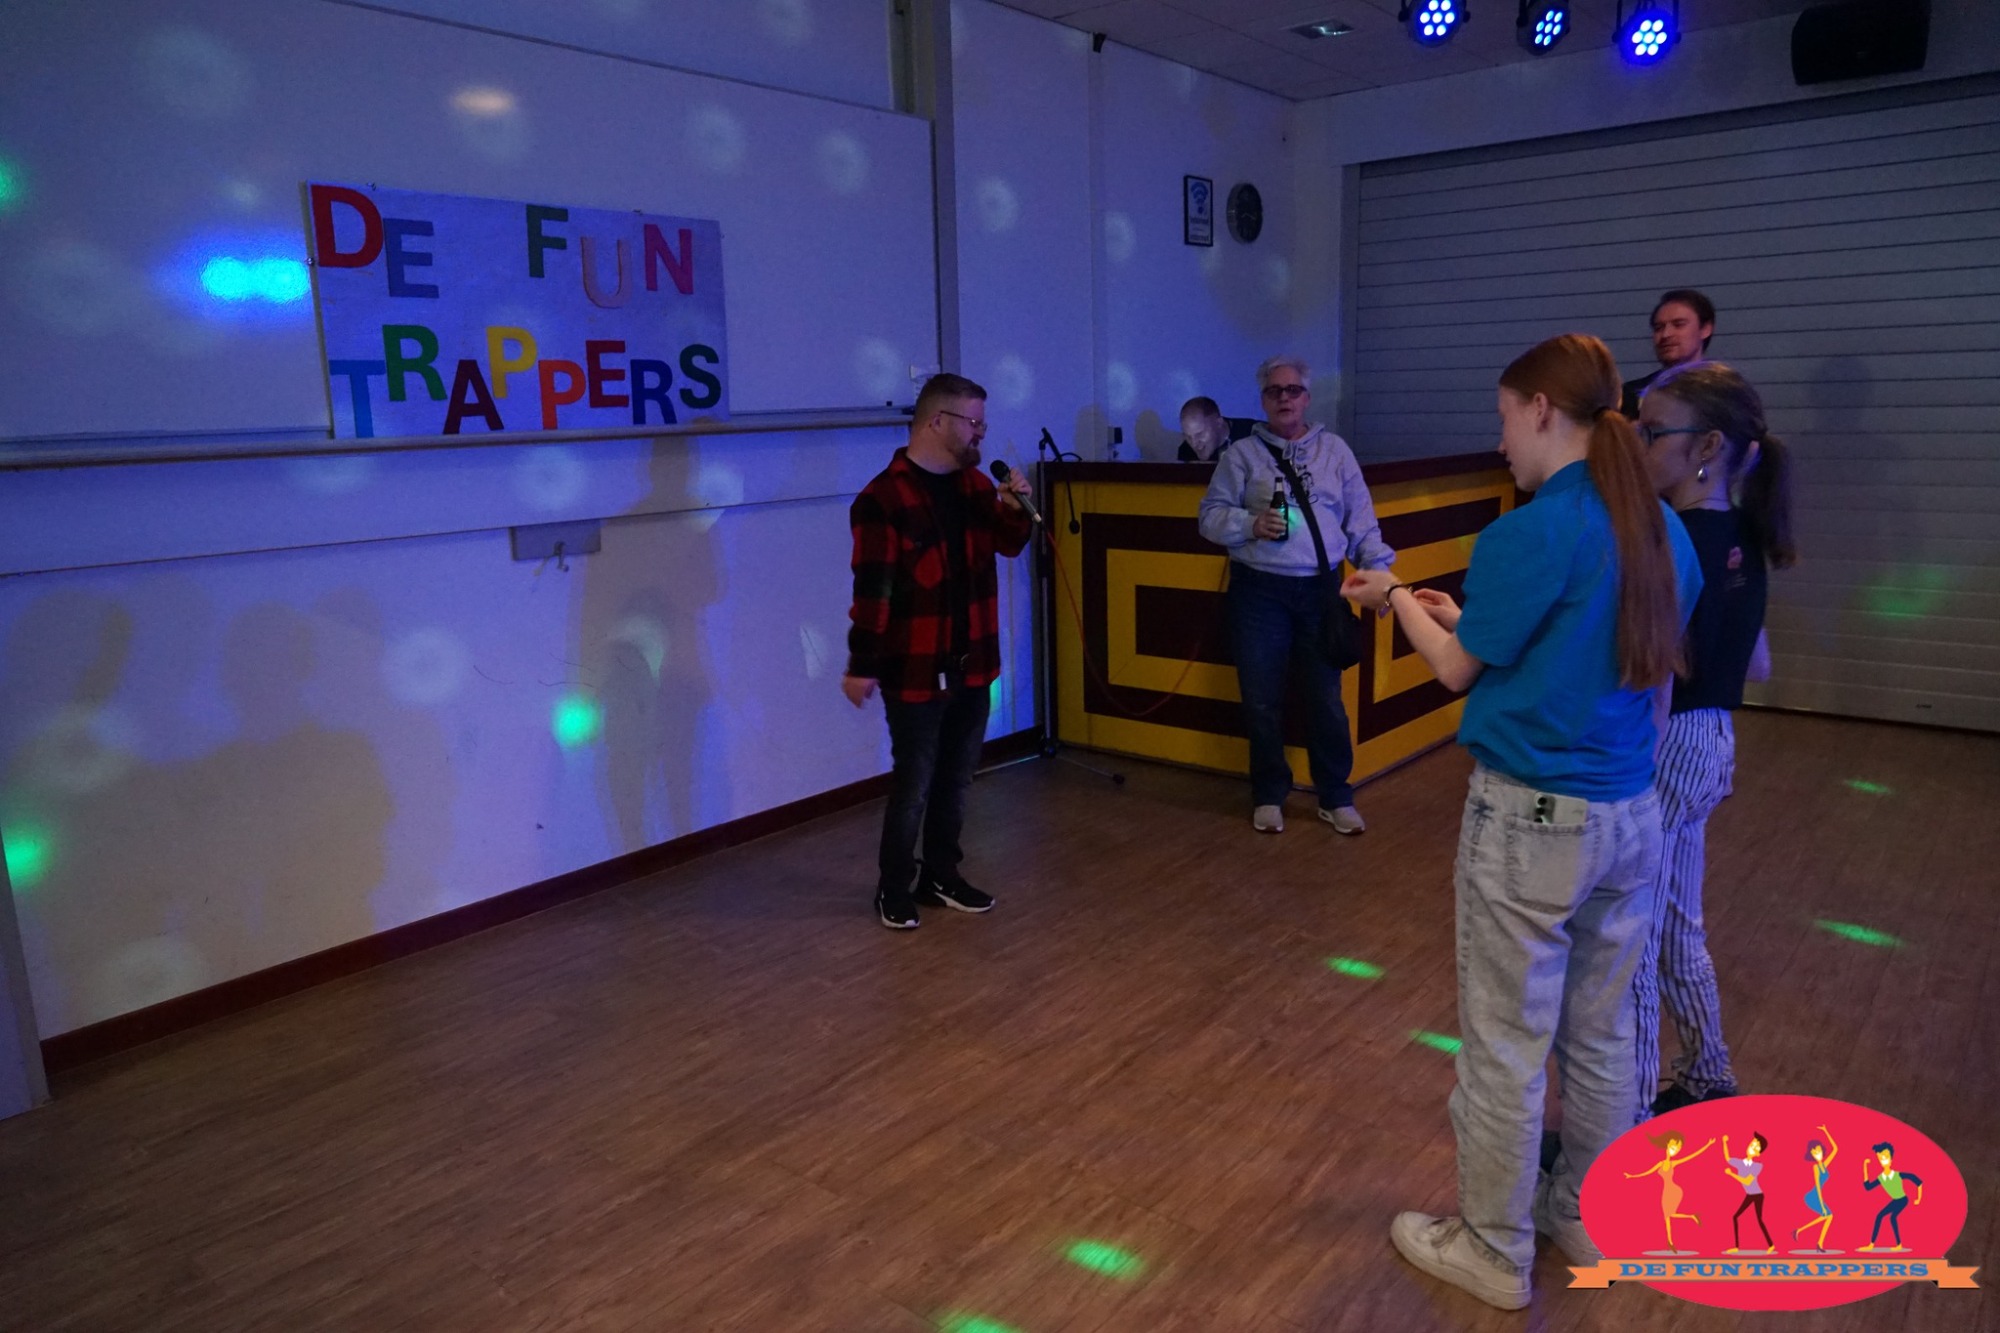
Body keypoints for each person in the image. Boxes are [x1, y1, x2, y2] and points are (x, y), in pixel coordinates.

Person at [1344, 334, 1702, 1310]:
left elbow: (1457, 674)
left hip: (1531, 821)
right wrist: (1459, 613)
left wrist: (1393, 600)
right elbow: (1592, 658)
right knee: (1600, 1037)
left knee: (1505, 1043)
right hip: (1629, 816)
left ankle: (1492, 1250)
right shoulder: (1662, 533)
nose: (1500, 438)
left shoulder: (1532, 531)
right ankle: (1583, 1211)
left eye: (1504, 416)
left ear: (1542, 408)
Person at [1632, 361, 1797, 1116]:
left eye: (1651, 432)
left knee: (1633, 934)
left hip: (1668, 745)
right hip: (1713, 739)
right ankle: (1707, 1072)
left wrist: (1634, 760)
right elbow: (1757, 664)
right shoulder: (1743, 534)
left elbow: (1662, 672)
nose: (1638, 444)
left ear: (1706, 447)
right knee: (1674, 923)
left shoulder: (1677, 539)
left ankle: (1629, 1106)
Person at [843, 372, 1034, 930]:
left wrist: (1015, 507)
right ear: (936, 422)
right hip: (916, 670)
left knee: (957, 779)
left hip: (973, 663)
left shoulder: (975, 488)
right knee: (914, 784)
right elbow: (872, 592)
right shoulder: (882, 499)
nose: (981, 433)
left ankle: (941, 876)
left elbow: (1009, 544)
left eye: (982, 423)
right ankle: (892, 887)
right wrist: (862, 665)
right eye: (974, 422)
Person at [1197, 356, 1392, 835]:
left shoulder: (1336, 451)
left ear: (1307, 397)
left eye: (1293, 390)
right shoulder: (1240, 455)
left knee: (1325, 698)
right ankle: (1269, 793)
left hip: (1321, 589)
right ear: (1263, 400)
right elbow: (1209, 517)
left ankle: (1336, 795)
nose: (1284, 398)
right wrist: (1249, 524)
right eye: (1274, 391)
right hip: (1258, 591)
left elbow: (1362, 523)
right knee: (1261, 698)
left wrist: (1381, 575)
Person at [1621, 288, 1716, 417]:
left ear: (1705, 329)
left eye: (1678, 324)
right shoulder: (1631, 394)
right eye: (1658, 328)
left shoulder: (1725, 393)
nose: (1666, 334)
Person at [1626, 1131, 1715, 1253]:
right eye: (1673, 1147)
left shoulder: (1673, 1163)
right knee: (1668, 1216)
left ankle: (1671, 1241)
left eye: (1677, 1149)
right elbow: (1647, 1172)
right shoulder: (1660, 1163)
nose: (1674, 1151)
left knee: (1668, 1216)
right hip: (1667, 1191)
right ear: (1667, 1145)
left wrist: (1707, 1145)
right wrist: (1632, 1176)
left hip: (1673, 1190)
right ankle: (1688, 1220)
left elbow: (1691, 1156)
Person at [1860, 1141, 1925, 1252]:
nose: (1884, 1160)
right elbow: (1868, 1187)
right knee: (1879, 1216)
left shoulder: (1897, 1175)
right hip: (1895, 1201)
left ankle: (1899, 1245)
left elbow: (1918, 1181)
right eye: (1881, 1158)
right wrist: (1865, 1166)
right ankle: (1871, 1245)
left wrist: (1919, 1198)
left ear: (1891, 1159)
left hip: (1903, 1200)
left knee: (1892, 1217)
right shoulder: (1881, 1178)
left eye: (1886, 1157)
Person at [1723, 1132, 1775, 1252]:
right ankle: (1736, 1247)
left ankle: (1771, 1245)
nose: (1752, 1148)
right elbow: (1727, 1158)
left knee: (1759, 1220)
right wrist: (1724, 1142)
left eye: (1756, 1148)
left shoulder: (1757, 1166)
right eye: (1752, 1144)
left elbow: (1747, 1181)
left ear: (1758, 1154)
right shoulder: (1740, 1163)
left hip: (1758, 1195)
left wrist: (1731, 1174)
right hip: (1749, 1195)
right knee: (1735, 1217)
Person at [1793, 1127, 1840, 1252]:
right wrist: (1822, 1205)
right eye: (1814, 1152)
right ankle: (1818, 1243)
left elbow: (1835, 1149)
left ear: (1822, 1150)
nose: (1817, 1153)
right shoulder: (1815, 1168)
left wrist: (1826, 1131)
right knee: (1828, 1215)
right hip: (1813, 1196)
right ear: (1811, 1155)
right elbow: (1818, 1187)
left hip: (1816, 1196)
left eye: (1818, 1150)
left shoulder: (1824, 1165)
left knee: (1827, 1216)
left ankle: (1800, 1231)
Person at [1176, 396, 1230, 462]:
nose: (1194, 443)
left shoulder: (1242, 435)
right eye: (1188, 436)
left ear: (1219, 423)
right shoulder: (1185, 451)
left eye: (1199, 434)